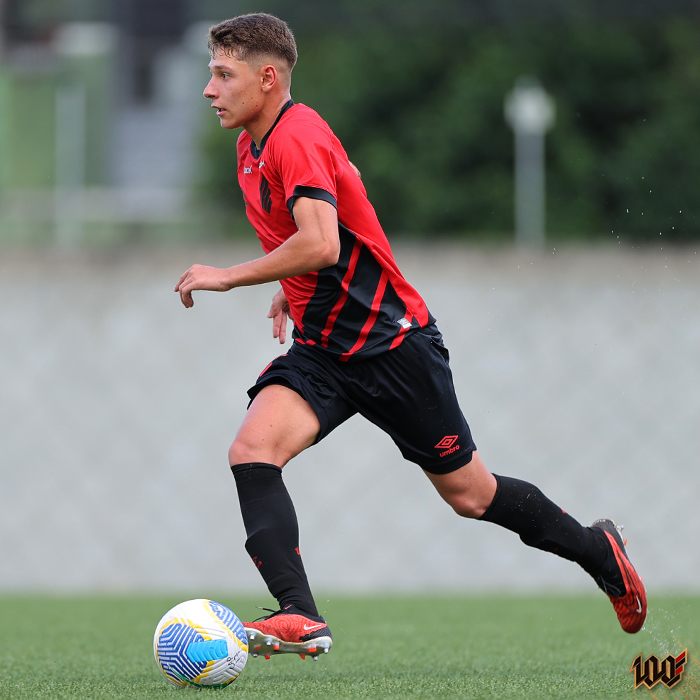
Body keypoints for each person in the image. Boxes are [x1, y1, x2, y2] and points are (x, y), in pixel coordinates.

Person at [175, 13, 646, 660]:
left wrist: (230, 276)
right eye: (211, 73)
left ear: (267, 78)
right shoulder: (251, 148)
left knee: (471, 495)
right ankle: (299, 613)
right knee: (252, 451)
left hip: (393, 347)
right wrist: (292, 282)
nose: (210, 88)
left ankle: (600, 552)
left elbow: (322, 242)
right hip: (325, 352)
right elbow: (337, 209)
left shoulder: (296, 135)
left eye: (223, 75)